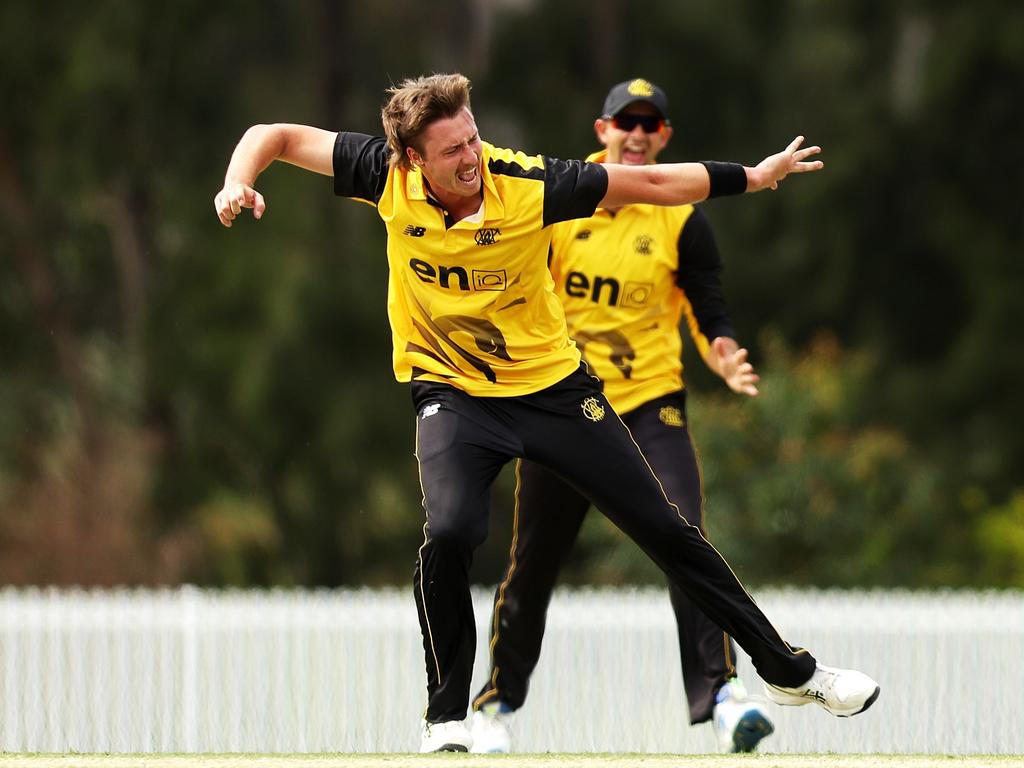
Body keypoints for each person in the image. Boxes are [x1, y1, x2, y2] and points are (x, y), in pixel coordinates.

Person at [213, 73, 880, 754]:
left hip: (553, 392)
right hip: (453, 394)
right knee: (450, 531)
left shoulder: (527, 182)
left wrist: (754, 176)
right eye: (452, 151)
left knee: (666, 529)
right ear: (415, 159)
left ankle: (790, 673)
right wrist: (237, 181)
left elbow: (647, 185)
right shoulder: (384, 175)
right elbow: (276, 136)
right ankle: (448, 716)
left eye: (472, 138)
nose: (472, 158)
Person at [469, 78, 777, 754]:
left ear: (664, 138)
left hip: (647, 405)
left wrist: (724, 355)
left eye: (650, 125)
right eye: (625, 123)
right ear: (602, 129)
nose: (637, 134)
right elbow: (511, 284)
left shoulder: (680, 216)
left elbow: (708, 306)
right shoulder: (560, 199)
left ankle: (723, 695)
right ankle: (495, 706)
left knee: (685, 537)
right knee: (533, 562)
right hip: (562, 406)